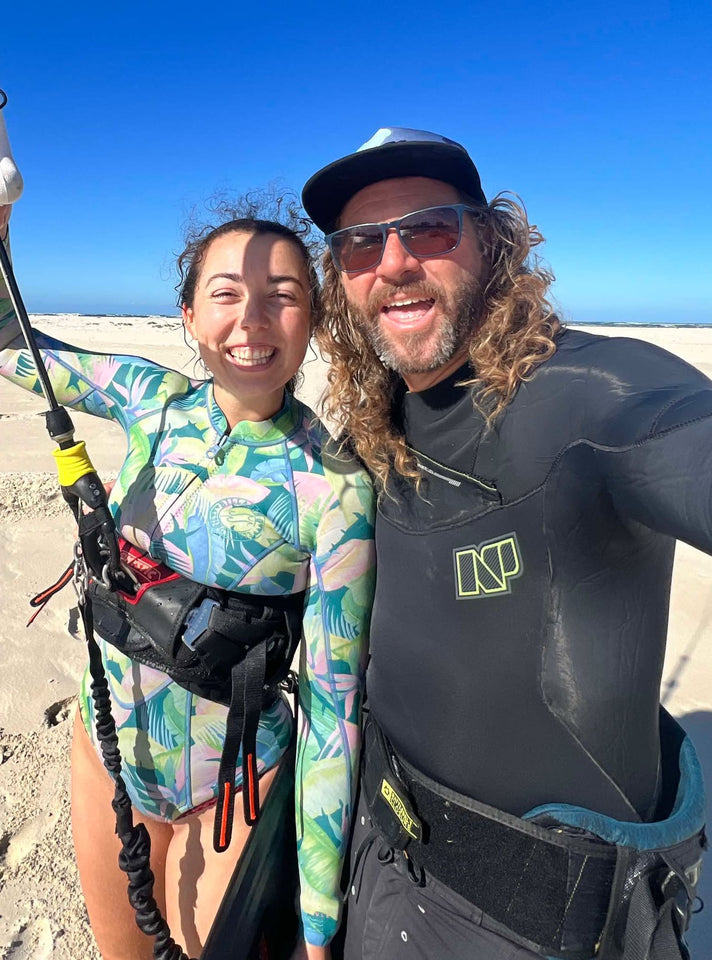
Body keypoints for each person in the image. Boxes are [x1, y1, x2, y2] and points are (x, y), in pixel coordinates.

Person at [301, 128, 708, 960]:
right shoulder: (370, 436)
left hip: (545, 931)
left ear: (492, 242)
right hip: (378, 865)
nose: (394, 262)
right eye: (359, 245)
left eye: (430, 228)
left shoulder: (594, 398)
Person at [0, 197, 376, 960]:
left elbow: (333, 706)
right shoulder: (149, 400)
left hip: (231, 793)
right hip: (107, 751)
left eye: (283, 296)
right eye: (225, 293)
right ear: (188, 315)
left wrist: (319, 919)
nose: (251, 319)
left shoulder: (335, 488)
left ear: (313, 321)